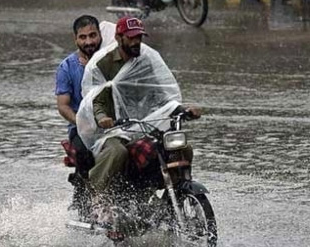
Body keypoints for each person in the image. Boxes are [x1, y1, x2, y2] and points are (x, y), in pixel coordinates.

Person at [76, 17, 201, 225]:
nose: (136, 42)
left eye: (139, 37)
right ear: (118, 37)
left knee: (181, 147)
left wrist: (181, 108)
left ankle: (175, 193)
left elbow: (159, 93)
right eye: (131, 38)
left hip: (143, 123)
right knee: (118, 151)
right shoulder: (102, 63)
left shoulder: (145, 60)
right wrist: (103, 118)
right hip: (112, 129)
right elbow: (95, 99)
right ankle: (98, 197)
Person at [55, 15, 104, 216]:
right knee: (84, 151)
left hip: (113, 125)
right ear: (76, 39)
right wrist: (82, 123)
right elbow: (63, 106)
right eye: (83, 37)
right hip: (81, 129)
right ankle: (90, 195)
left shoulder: (109, 60)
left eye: (93, 35)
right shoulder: (66, 67)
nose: (89, 41)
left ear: (100, 35)